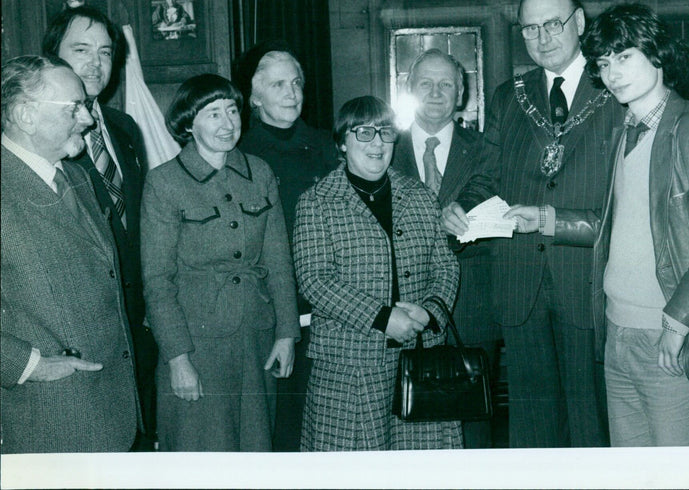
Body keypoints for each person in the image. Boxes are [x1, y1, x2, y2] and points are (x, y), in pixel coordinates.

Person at [507, 3, 689, 446]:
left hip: (668, 336)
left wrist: (678, 324)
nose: (611, 72)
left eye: (625, 56)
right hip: (616, 332)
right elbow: (614, 225)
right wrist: (548, 219)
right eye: (603, 62)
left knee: (678, 474)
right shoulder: (623, 130)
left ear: (657, 56)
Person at [442, 0, 623, 448]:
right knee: (532, 428)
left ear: (579, 23)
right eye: (530, 29)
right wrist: (461, 205)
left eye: (553, 24)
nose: (542, 38)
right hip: (520, 282)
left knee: (592, 424)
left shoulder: (615, 87)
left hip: (589, 280)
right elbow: (487, 176)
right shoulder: (509, 96)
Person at [140, 74, 300, 451]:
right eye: (213, 114)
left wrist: (286, 333)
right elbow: (158, 280)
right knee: (201, 453)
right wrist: (178, 358)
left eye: (232, 111)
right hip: (197, 345)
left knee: (255, 449)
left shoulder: (258, 172)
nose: (227, 124)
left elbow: (279, 260)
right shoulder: (164, 183)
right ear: (188, 123)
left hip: (256, 340)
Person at [293, 95, 462, 451]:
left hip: (420, 359)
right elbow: (315, 279)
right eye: (364, 133)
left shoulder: (418, 196)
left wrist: (431, 311)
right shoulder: (317, 201)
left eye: (385, 133)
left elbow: (445, 265)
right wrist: (383, 318)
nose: (377, 143)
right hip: (348, 368)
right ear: (342, 142)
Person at [1, 55, 139, 453]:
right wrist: (28, 365)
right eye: (74, 108)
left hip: (111, 411)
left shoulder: (75, 175)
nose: (89, 120)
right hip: (46, 421)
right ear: (26, 115)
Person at [41, 5, 158, 450]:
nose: (96, 63)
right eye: (81, 50)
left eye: (106, 53)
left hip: (133, 324)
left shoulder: (125, 128)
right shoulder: (46, 136)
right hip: (77, 330)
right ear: (53, 57)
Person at [392, 48, 500, 448]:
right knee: (405, 422)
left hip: (470, 307)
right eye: (426, 83)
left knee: (472, 428)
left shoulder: (487, 149)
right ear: (409, 90)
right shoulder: (382, 147)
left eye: (447, 84)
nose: (436, 92)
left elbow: (484, 192)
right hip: (398, 306)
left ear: (461, 93)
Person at [238, 47, 339, 451]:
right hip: (266, 315)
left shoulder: (330, 147)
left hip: (328, 311)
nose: (291, 92)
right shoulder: (239, 154)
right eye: (278, 84)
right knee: (279, 432)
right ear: (254, 96)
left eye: (296, 82)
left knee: (327, 429)